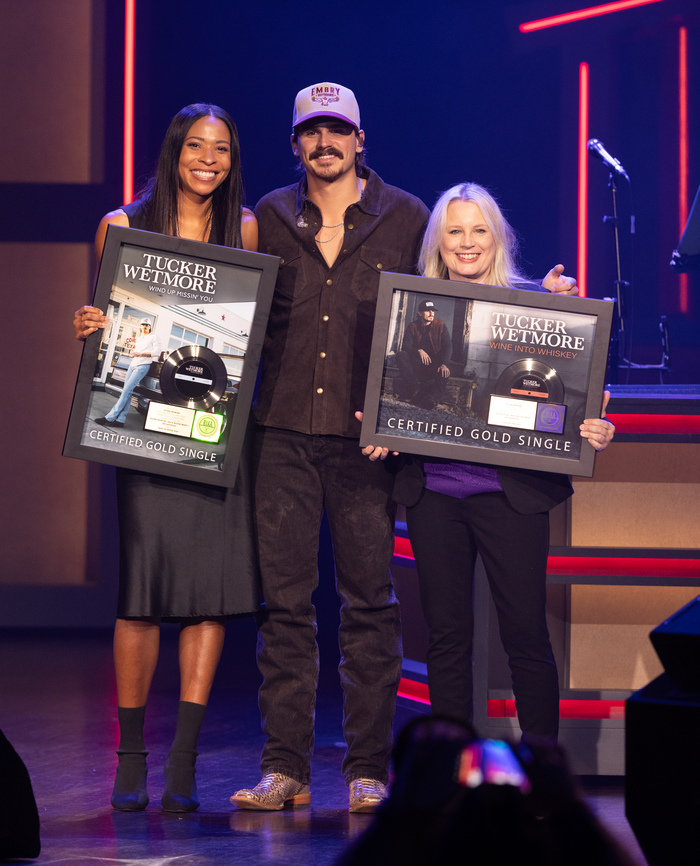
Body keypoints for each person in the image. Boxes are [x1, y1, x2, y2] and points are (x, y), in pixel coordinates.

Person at [230, 83, 579, 814]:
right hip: (285, 435)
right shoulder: (265, 216)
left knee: (371, 607)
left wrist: (555, 319)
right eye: (311, 132)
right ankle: (285, 769)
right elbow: (230, 311)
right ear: (295, 143)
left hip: (371, 450)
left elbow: (500, 338)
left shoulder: (407, 215)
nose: (325, 143)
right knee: (286, 607)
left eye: (339, 132)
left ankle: (369, 771)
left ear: (362, 140)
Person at [364, 183, 614, 744]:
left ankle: (543, 770)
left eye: (479, 230)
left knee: (525, 634)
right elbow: (390, 392)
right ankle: (454, 770)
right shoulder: (408, 310)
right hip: (434, 495)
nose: (467, 242)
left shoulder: (538, 305)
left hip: (511, 495)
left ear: (497, 239)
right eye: (455, 231)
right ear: (438, 241)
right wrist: (380, 428)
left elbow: (580, 394)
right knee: (447, 638)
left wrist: (597, 420)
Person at [73, 104, 259, 812]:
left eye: (221, 147)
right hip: (147, 431)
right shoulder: (121, 227)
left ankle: (183, 761)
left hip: (216, 430)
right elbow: (109, 327)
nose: (208, 158)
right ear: (174, 151)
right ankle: (130, 757)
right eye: (196, 146)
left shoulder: (245, 230)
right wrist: (89, 324)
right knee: (143, 593)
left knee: (207, 597)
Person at [95, 318, 160, 428]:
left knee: (125, 392)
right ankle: (120, 420)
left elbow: (157, 352)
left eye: (147, 325)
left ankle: (109, 417)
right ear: (140, 326)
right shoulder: (139, 338)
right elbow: (137, 353)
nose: (144, 326)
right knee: (128, 392)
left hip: (142, 366)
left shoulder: (154, 337)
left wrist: (140, 354)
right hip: (132, 365)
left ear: (150, 327)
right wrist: (134, 353)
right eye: (143, 324)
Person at [395, 299, 452, 409]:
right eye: (427, 311)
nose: (431, 314)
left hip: (433, 366)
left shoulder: (440, 325)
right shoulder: (413, 326)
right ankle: (413, 388)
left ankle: (432, 400)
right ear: (420, 313)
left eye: (433, 311)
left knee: (445, 371)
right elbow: (405, 346)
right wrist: (419, 351)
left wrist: (444, 364)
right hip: (417, 366)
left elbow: (448, 346)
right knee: (401, 355)